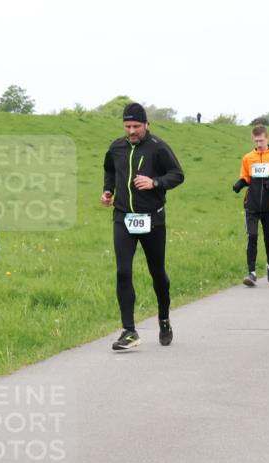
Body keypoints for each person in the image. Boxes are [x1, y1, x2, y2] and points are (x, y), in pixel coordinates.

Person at [101, 102, 185, 350]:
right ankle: (129, 331)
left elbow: (177, 175)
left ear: (146, 124)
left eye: (136, 126)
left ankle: (164, 319)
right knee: (123, 272)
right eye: (127, 126)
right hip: (123, 218)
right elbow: (109, 169)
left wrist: (155, 182)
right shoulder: (116, 147)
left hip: (152, 219)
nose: (132, 131)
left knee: (157, 273)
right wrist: (108, 190)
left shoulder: (158, 148)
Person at [232, 126, 269, 286]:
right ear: (253, 139)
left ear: (268, 138)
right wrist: (240, 183)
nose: (259, 143)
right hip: (251, 204)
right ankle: (251, 273)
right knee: (252, 236)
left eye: (262, 140)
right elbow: (246, 177)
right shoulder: (248, 157)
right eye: (256, 140)